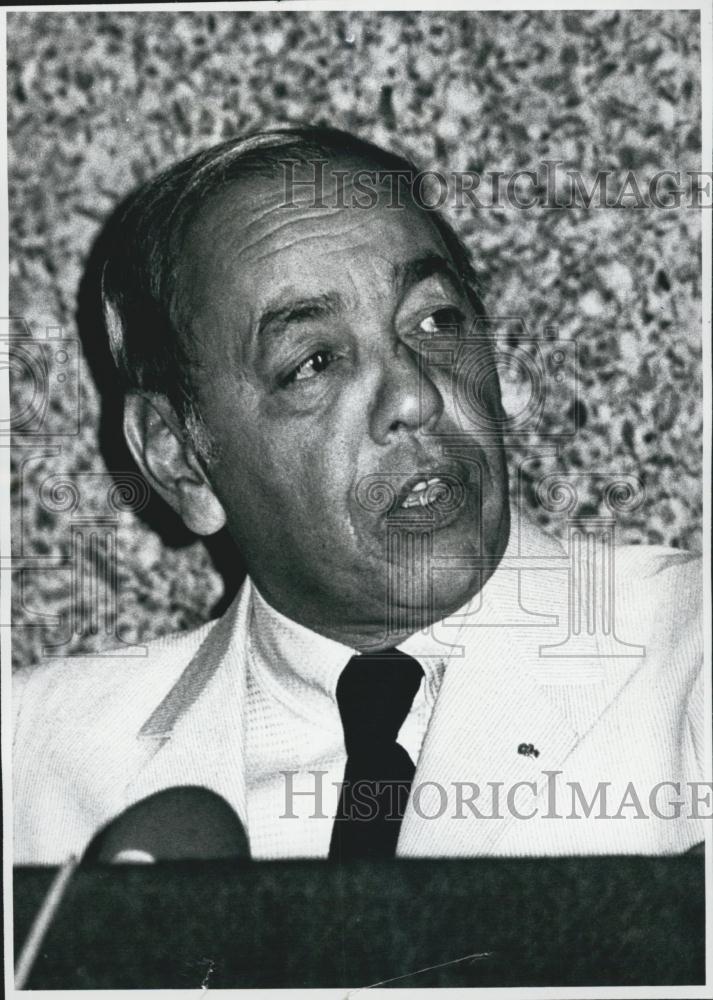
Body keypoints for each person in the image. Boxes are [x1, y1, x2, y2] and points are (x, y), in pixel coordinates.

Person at [13, 127, 706, 864]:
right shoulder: (31, 758)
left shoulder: (690, 657)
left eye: (436, 321)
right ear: (180, 460)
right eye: (314, 362)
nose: (414, 395)